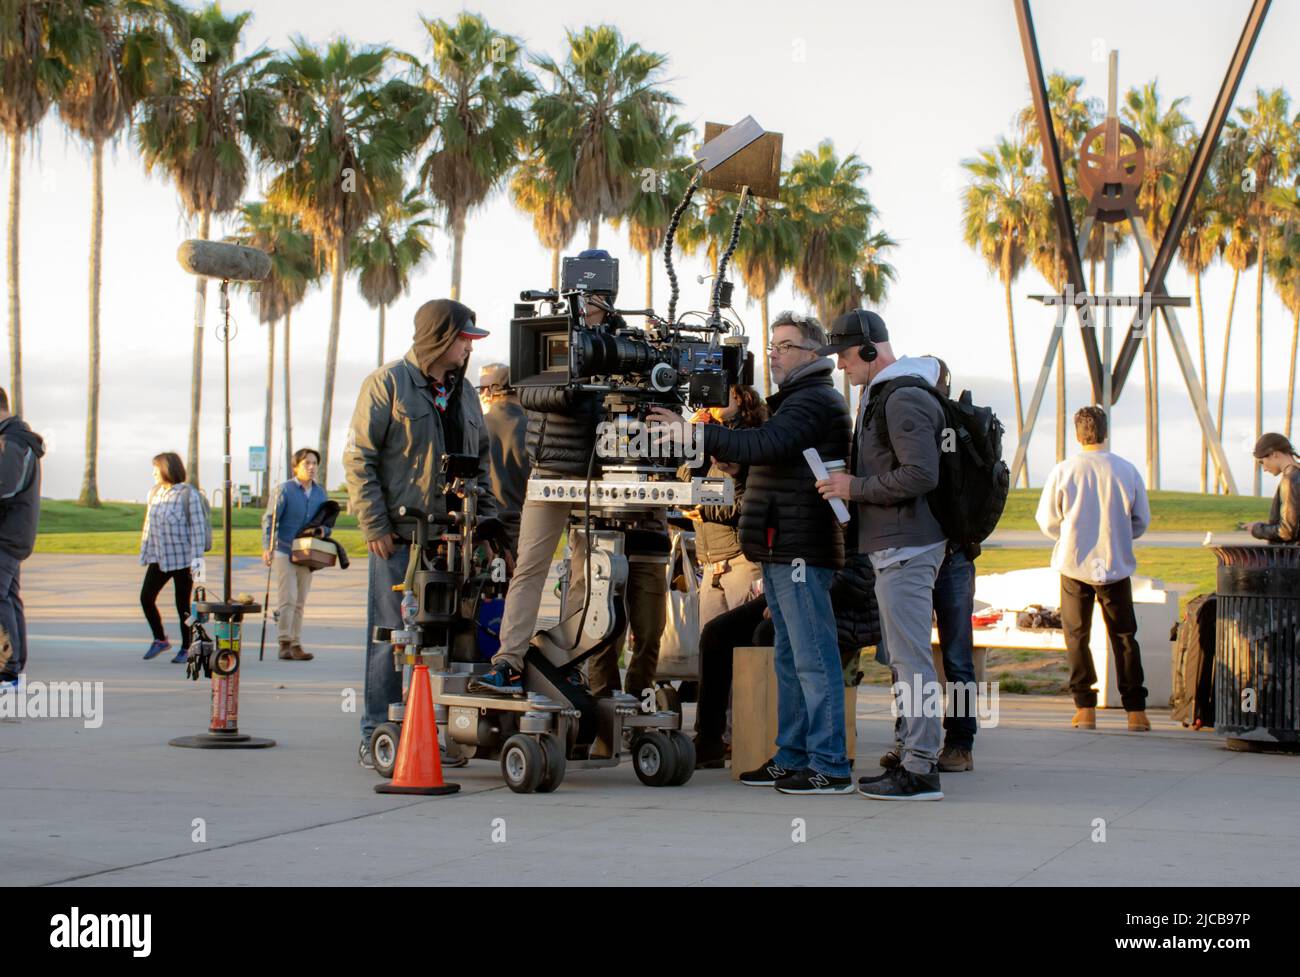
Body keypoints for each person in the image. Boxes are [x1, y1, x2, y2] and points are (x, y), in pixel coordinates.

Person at [650, 311, 854, 795]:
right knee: (789, 656)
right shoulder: (796, 402)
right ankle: (793, 756)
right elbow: (765, 448)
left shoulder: (815, 401)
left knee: (812, 658)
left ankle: (830, 764)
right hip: (781, 549)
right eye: (773, 346)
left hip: (802, 550)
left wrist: (695, 434)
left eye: (784, 346)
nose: (774, 354)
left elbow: (767, 443)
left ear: (812, 354)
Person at [474, 250, 667, 700]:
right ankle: (508, 661)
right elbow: (534, 391)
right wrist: (582, 375)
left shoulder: (625, 339)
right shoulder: (544, 333)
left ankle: (590, 681)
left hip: (605, 473)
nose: (591, 305)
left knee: (593, 581)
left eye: (600, 297)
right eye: (585, 296)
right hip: (553, 469)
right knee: (532, 569)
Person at [344, 298, 497, 768]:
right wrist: (374, 524)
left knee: (448, 639)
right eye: (464, 338)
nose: (470, 347)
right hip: (401, 539)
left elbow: (482, 464)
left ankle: (437, 734)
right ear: (441, 338)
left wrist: (488, 527)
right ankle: (377, 733)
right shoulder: (387, 384)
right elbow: (359, 460)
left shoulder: (467, 394)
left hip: (457, 539)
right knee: (393, 637)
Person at [816, 310, 948, 801]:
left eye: (846, 357)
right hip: (895, 546)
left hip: (908, 546)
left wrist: (855, 487)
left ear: (870, 351)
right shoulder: (888, 393)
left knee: (912, 660)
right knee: (903, 659)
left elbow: (921, 474)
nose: (842, 368)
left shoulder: (904, 396)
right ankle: (912, 755)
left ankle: (921, 768)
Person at [875, 358, 979, 774]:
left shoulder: (948, 428)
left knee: (944, 657)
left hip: (942, 552)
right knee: (928, 655)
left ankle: (957, 741)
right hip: (942, 552)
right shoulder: (924, 422)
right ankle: (918, 740)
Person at [1035, 406, 1151, 732]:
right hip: (1114, 562)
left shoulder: (1064, 470)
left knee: (1076, 636)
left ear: (1077, 433)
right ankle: (1135, 711)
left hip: (1074, 563)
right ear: (1105, 431)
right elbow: (1140, 520)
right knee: (1125, 636)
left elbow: (1047, 520)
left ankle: (1084, 707)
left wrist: (1068, 535)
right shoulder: (1126, 471)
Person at [681, 385, 767, 628]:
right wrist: (693, 438)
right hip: (710, 562)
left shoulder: (751, 438)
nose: (712, 401)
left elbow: (750, 501)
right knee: (710, 647)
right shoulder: (711, 437)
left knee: (744, 646)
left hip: (741, 559)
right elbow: (685, 486)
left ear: (740, 398)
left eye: (722, 393)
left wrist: (705, 510)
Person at [139, 452, 207, 664]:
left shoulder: (189, 495)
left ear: (167, 469)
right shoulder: (154, 494)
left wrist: (198, 568)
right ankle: (160, 639)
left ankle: (187, 647)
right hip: (160, 559)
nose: (153, 473)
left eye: (156, 468)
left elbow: (198, 532)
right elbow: (148, 527)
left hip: (183, 561)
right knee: (146, 598)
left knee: (183, 607)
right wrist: (145, 553)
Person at [262, 448, 327, 662]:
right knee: (287, 598)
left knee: (300, 601)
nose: (311, 467)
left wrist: (323, 532)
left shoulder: (320, 493)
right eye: (306, 463)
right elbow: (270, 520)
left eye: (314, 463)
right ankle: (285, 642)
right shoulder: (284, 490)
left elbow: (327, 522)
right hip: (284, 549)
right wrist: (267, 547)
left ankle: (297, 644)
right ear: (295, 467)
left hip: (307, 553)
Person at [0, 387, 44, 684]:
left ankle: (8, 668)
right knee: (9, 599)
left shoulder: (11, 441)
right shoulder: (14, 438)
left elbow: (5, 486)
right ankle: (13, 667)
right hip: (13, 533)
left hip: (6, 534)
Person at [477, 362, 529, 555]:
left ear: (491, 391)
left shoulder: (477, 427)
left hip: (484, 529)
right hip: (522, 530)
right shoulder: (533, 430)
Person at [1246, 432, 1299, 544]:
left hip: (1292, 559)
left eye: (1262, 462)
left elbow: (1287, 531)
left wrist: (1257, 529)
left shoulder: (1290, 479)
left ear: (1273, 453)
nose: (1264, 468)